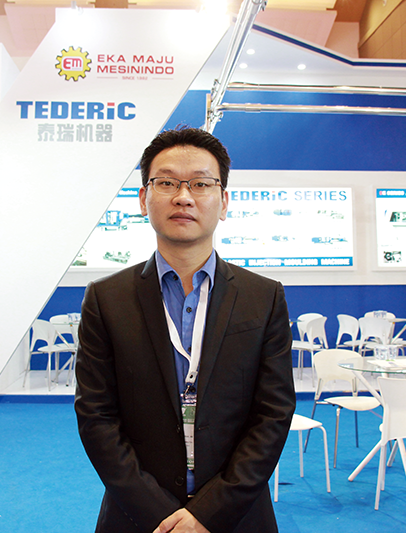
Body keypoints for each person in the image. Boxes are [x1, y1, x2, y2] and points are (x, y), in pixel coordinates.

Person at [75, 127, 296, 533]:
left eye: (200, 183)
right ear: (143, 199)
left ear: (223, 202)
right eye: (166, 183)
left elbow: (273, 413)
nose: (183, 196)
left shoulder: (263, 297)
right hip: (138, 517)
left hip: (236, 516)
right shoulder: (106, 299)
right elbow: (96, 416)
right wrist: (157, 513)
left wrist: (209, 513)